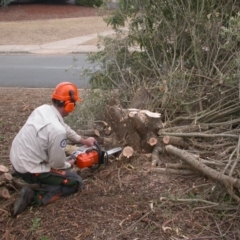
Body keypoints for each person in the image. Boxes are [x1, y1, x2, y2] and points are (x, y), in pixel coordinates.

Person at [10, 82, 96, 216]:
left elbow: (64, 128)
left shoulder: (43, 110)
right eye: (74, 104)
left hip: (16, 159)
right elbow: (57, 164)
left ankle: (29, 177)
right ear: (69, 105)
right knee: (75, 182)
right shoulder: (57, 131)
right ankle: (34, 196)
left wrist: (82, 140)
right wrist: (70, 163)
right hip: (29, 168)